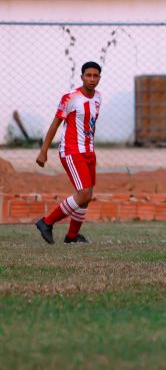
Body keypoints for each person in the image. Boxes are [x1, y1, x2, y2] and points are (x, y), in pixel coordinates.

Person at [35, 61, 103, 244]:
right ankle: (46, 222)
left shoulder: (98, 98)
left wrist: (91, 146)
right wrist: (44, 151)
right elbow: (55, 124)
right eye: (88, 75)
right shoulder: (70, 98)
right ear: (81, 77)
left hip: (89, 151)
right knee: (84, 194)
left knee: (86, 198)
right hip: (72, 151)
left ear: (99, 78)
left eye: (95, 76)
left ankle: (71, 237)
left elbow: (91, 125)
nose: (92, 79)